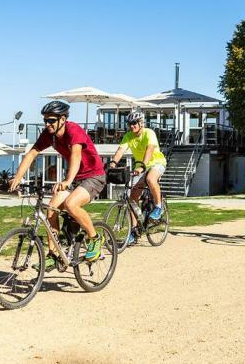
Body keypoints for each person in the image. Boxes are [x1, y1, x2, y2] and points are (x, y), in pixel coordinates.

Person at [9, 101, 106, 268]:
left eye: (51, 120)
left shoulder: (73, 130)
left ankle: (95, 238)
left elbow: (76, 156)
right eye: (45, 120)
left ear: (63, 119)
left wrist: (67, 181)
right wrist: (18, 177)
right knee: (51, 208)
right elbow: (32, 153)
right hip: (76, 179)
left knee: (70, 203)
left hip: (94, 176)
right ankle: (53, 254)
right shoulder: (49, 134)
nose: (47, 124)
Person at [108, 111, 167, 244]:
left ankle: (158, 207)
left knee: (151, 179)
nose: (132, 126)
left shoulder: (149, 133)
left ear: (141, 123)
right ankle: (134, 231)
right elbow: (120, 150)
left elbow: (149, 150)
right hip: (141, 167)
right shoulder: (128, 136)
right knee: (133, 197)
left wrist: (142, 166)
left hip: (156, 163)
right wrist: (112, 164)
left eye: (134, 123)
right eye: (129, 123)